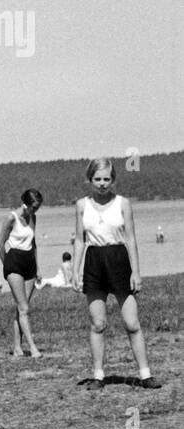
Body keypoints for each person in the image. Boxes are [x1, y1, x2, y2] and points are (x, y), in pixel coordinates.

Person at [73, 159, 160, 389]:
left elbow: (131, 238)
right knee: (98, 323)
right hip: (94, 262)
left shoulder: (123, 203)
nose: (102, 184)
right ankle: (98, 376)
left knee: (132, 323)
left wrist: (136, 272)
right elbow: (80, 241)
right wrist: (75, 270)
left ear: (113, 180)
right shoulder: (82, 205)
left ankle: (145, 375)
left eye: (106, 179)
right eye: (97, 179)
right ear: (90, 180)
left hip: (119, 260)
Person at [0, 188, 43, 358]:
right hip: (14, 262)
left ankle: (17, 348)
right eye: (33, 207)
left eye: (38, 208)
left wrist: (37, 267)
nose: (35, 211)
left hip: (29, 262)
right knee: (24, 308)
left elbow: (34, 243)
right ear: (26, 204)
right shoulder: (11, 218)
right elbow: (0, 245)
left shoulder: (33, 218)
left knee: (21, 308)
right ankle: (32, 348)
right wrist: (7, 265)